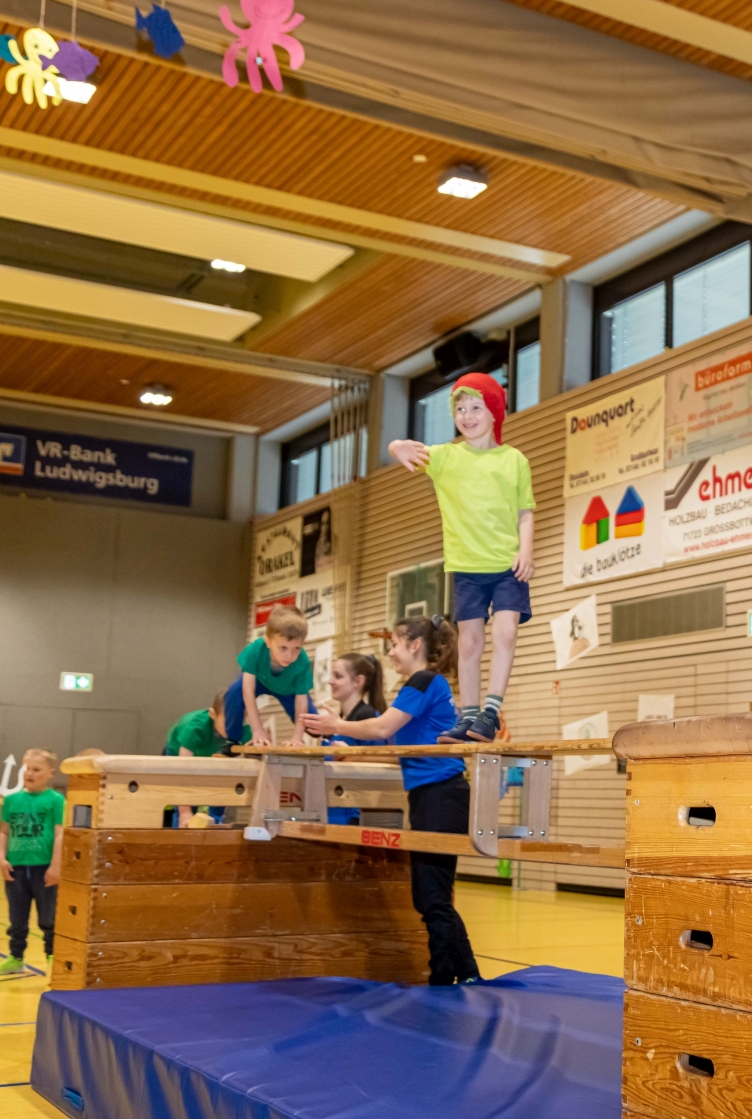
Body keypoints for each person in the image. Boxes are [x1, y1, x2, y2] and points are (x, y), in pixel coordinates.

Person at [298, 616, 482, 986]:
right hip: (430, 795)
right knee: (430, 895)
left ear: (415, 645)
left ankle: (445, 975)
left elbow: (383, 728)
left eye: (395, 644)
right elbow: (398, 751)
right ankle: (468, 972)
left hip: (443, 794)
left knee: (432, 895)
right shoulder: (421, 685)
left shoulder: (424, 680)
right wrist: (351, 750)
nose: (391, 653)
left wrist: (337, 726)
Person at [387, 372, 535, 743]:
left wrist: (526, 550)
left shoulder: (513, 460)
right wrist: (397, 447)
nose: (467, 416)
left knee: (506, 631)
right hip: (467, 566)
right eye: (460, 409)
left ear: (494, 411)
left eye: (476, 408)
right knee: (468, 643)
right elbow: (398, 447)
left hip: (506, 564)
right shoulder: (446, 457)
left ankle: (490, 713)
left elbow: (525, 511)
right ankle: (468, 716)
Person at [0, 749, 65, 975]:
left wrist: (56, 866)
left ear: (50, 773)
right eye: (27, 769)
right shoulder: (11, 800)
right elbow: (4, 831)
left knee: (49, 917)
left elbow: (60, 834)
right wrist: (1, 858)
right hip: (16, 868)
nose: (29, 774)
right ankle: (15, 958)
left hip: (44, 867)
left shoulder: (56, 800)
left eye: (36, 769)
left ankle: (53, 956)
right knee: (17, 918)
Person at [318, 652, 390, 825]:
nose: (330, 681)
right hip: (331, 810)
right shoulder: (337, 720)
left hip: (354, 814)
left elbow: (381, 766)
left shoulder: (368, 717)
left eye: (338, 676)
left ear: (358, 681)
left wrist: (351, 755)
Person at [226, 605, 314, 746]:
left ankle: (330, 736)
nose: (289, 655)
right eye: (283, 648)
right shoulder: (255, 650)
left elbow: (301, 702)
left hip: (288, 689)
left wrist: (297, 738)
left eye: (296, 648)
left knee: (313, 724)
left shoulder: (302, 662)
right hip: (260, 682)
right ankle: (232, 739)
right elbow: (247, 692)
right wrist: (258, 730)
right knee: (234, 692)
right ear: (268, 641)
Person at [163, 692, 247, 826]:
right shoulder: (195, 727)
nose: (232, 728)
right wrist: (185, 812)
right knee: (187, 806)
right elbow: (182, 771)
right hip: (179, 753)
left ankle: (217, 820)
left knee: (218, 798)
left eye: (237, 722)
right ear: (213, 714)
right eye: (227, 722)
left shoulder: (245, 730)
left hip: (211, 753)